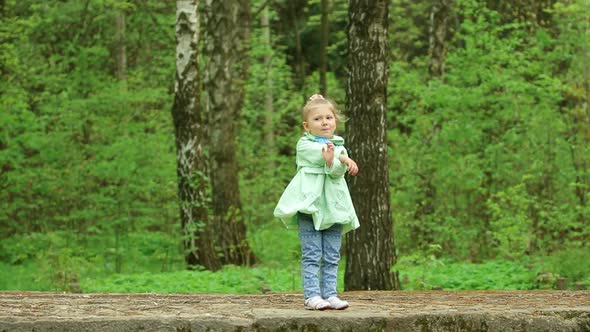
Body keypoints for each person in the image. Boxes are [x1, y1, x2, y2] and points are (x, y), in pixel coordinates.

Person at [274, 94, 359, 310]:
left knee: (332, 253)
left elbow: (335, 174)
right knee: (312, 252)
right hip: (309, 206)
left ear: (335, 122)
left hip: (333, 207)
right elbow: (318, 154)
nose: (324, 122)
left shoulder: (339, 145)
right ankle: (312, 295)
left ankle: (330, 293)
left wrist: (338, 163)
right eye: (317, 119)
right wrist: (339, 158)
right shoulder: (304, 144)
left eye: (328, 118)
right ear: (307, 125)